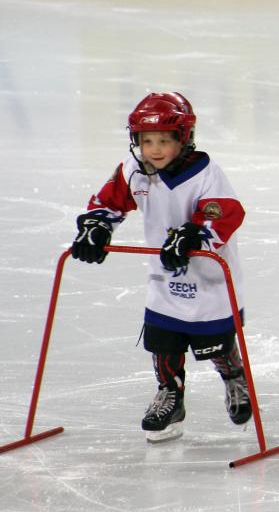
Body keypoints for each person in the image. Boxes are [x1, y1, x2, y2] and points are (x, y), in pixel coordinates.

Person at [70, 92, 252, 442]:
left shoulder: (207, 174)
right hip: (164, 279)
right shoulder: (134, 171)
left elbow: (224, 212)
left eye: (164, 141)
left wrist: (193, 235)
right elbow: (108, 202)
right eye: (146, 140)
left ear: (184, 139)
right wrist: (96, 227)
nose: (154, 149)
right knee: (163, 344)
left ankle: (233, 377)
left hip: (209, 280)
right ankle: (171, 395)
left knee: (215, 344)